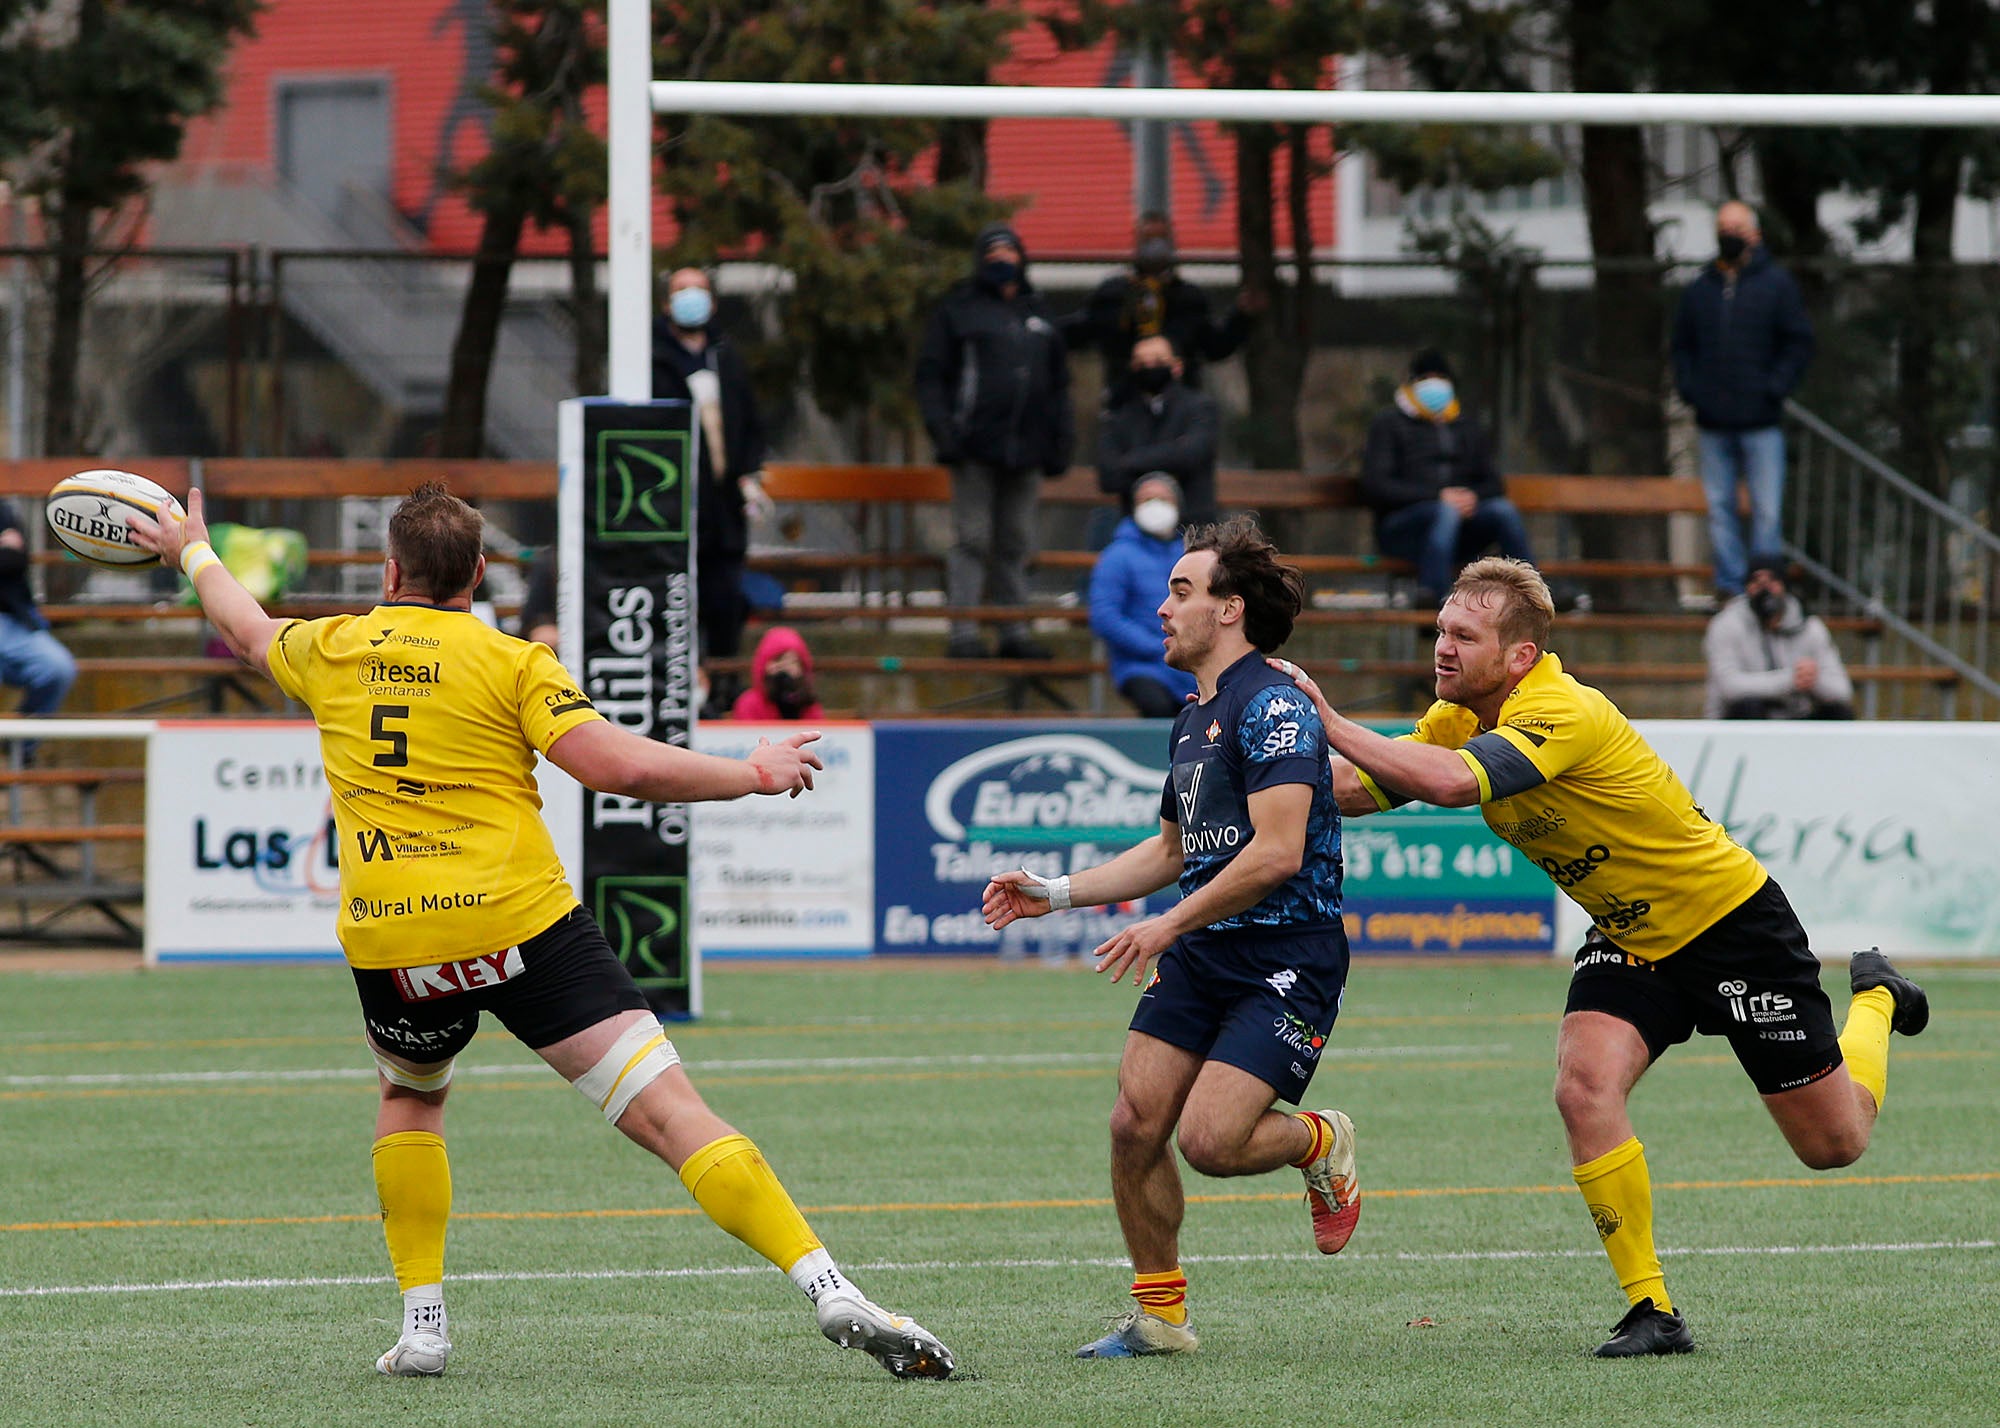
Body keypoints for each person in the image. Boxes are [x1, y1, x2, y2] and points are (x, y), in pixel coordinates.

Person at [126, 482, 954, 1382]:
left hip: (397, 946)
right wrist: (750, 772)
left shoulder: (332, 645)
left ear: (389, 569)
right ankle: (824, 1280)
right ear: (479, 574)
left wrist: (191, 550)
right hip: (520, 925)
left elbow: (247, 628)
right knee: (673, 1116)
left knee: (412, 1099)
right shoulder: (514, 661)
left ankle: (424, 1325)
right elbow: (614, 765)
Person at [1273, 556, 1928, 1358]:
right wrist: (1261, 769)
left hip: (1730, 926)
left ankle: (1878, 999)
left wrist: (1327, 718)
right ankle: (1652, 1309)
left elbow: (1449, 786)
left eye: (1463, 635)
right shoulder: (1457, 718)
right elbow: (1359, 789)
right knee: (1584, 1087)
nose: (1441, 647)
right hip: (1628, 935)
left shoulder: (1562, 709)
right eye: (1440, 629)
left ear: (1520, 655)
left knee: (1835, 1145)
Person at [981, 515, 1360, 1360]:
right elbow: (1170, 850)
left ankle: (1319, 1139)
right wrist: (1056, 892)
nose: (1162, 608)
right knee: (1132, 1125)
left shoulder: (1276, 705)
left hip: (1286, 957)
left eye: (1182, 592)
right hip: (1203, 950)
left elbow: (1276, 853)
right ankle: (1161, 1318)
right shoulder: (1193, 718)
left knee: (1211, 1143)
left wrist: (1168, 923)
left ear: (1230, 610)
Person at [916, 223, 1074, 661]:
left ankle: (1014, 632)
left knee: (1017, 541)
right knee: (972, 539)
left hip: (1026, 452)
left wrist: (1060, 442)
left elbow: (1060, 386)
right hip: (973, 449)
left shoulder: (1039, 315)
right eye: (994, 253)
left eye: (1010, 252)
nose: (1003, 261)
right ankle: (963, 632)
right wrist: (944, 431)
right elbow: (931, 377)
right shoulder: (959, 311)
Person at [1671, 201, 1816, 600]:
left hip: (1761, 420)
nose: (1728, 233)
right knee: (1720, 510)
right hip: (1713, 421)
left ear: (1755, 234)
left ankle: (1766, 586)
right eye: (1722, 226)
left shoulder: (1777, 285)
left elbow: (1798, 342)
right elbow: (1682, 346)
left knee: (1766, 510)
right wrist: (1691, 389)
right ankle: (1733, 587)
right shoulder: (1701, 288)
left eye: (1736, 226)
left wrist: (1775, 387)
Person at [654, 267, 775, 682]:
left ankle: (723, 682)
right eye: (682, 290)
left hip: (725, 507)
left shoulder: (726, 356)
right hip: (676, 506)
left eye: (700, 290)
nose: (692, 298)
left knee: (725, 596)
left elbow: (750, 421)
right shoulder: (653, 358)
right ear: (666, 303)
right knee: (677, 599)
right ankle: (681, 681)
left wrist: (749, 475)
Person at [1360, 350, 1535, 605]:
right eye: (1426, 379)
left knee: (1503, 511)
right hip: (1403, 533)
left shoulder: (1466, 427)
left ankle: (1530, 596)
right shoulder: (1388, 425)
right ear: (1411, 384)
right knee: (1444, 512)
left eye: (1441, 379)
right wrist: (1439, 497)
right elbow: (1375, 487)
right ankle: (1434, 598)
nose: (1435, 386)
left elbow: (1495, 484)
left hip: (1462, 534)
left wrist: (1471, 497)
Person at [1062, 212, 1256, 405]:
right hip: (1126, 399)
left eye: (1161, 238)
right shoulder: (1113, 295)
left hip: (1180, 401)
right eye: (1148, 239)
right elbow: (1080, 332)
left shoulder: (1188, 298)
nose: (1155, 245)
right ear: (1137, 242)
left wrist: (1240, 317)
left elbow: (1215, 346)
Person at [1089, 473, 1197, 718]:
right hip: (1140, 667)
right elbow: (1105, 616)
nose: (1155, 506)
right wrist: (1157, 647)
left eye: (1163, 499)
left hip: (1192, 667)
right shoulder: (1117, 556)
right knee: (1157, 707)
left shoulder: (1190, 555)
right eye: (1146, 499)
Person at [1704, 555, 1854, 719]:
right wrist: (1790, 680)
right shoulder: (1726, 625)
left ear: (1784, 585)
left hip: (1796, 717)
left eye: (1772, 581)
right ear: (1747, 588)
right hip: (1742, 721)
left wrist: (1813, 679)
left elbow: (1842, 690)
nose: (1765, 589)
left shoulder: (1810, 627)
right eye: (1756, 582)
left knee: (1839, 712)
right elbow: (1729, 686)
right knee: (1747, 706)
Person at [1096, 336, 1220, 528]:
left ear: (1177, 366)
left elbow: (1192, 454)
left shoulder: (1200, 407)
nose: (1149, 367)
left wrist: (1131, 461)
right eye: (1141, 362)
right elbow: (1108, 477)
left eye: (1158, 361)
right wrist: (1171, 455)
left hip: (1194, 526)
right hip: (1136, 528)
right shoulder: (1119, 416)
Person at [0, 498, 77, 761]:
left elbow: (17, 559)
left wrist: (10, 553)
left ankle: (22, 744)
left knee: (58, 667)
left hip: (14, 621)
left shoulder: (3, 509)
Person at [730, 625, 824, 721]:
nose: (784, 667)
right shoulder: (749, 703)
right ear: (763, 665)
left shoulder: (809, 705)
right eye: (777, 660)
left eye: (792, 662)